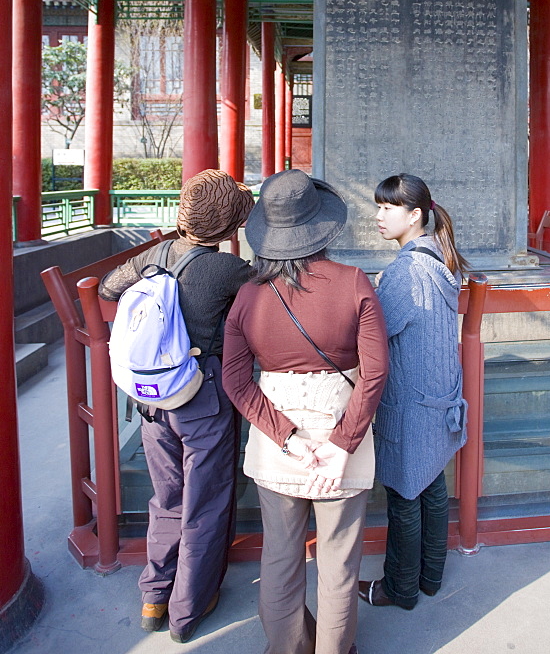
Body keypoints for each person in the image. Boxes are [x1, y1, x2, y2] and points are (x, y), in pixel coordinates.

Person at [222, 169, 389, 654]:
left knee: (279, 559)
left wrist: (289, 437)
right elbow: (375, 372)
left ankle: (287, 648)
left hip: (278, 444)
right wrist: (339, 446)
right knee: (338, 566)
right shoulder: (354, 282)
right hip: (344, 433)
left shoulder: (248, 296)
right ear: (321, 226)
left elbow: (236, 380)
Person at [99, 169, 254, 643]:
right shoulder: (229, 270)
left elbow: (108, 287)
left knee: (167, 496)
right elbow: (268, 303)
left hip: (151, 401)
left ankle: (154, 594)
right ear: (229, 229)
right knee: (205, 500)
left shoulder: (156, 254)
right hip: (201, 400)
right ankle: (188, 609)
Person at [358, 173, 469, 611]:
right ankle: (430, 578)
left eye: (388, 208)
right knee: (432, 487)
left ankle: (400, 589)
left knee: (405, 495)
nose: (379, 216)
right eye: (379, 206)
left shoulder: (406, 270)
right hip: (439, 399)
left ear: (415, 214)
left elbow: (375, 333)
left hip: (410, 402)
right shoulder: (440, 259)